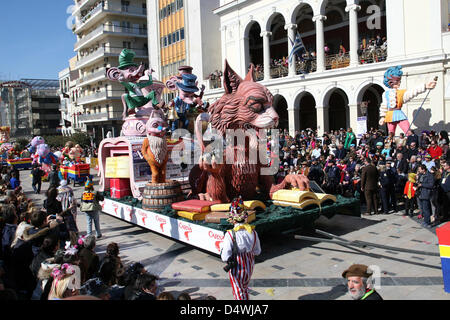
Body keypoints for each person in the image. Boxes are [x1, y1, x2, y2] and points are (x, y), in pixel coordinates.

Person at [221, 197, 261, 300]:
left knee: (238, 291)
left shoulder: (230, 234)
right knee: (244, 288)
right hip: (249, 266)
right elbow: (257, 251)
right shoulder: (253, 232)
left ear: (232, 218)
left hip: (236, 267)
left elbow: (225, 256)